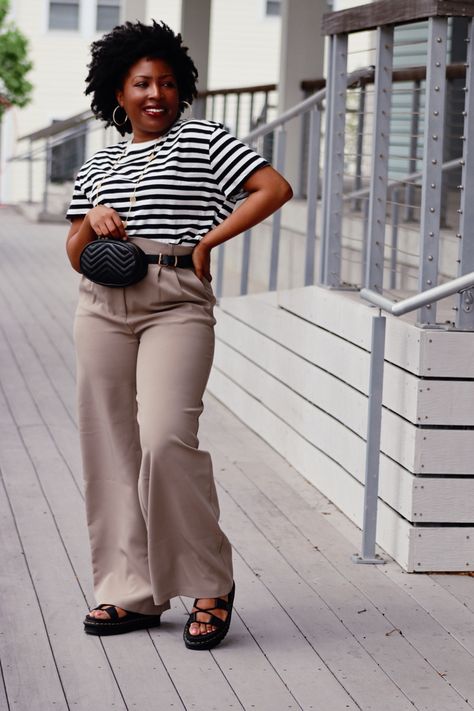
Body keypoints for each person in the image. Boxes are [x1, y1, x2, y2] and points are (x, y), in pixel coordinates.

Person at [65, 19, 292, 651]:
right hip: (101, 303)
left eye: (166, 82)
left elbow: (273, 188)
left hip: (176, 299)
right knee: (108, 445)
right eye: (141, 83)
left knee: (165, 438)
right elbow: (73, 249)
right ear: (119, 92)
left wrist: (211, 240)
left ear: (181, 89)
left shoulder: (205, 138)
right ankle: (130, 591)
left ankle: (210, 583)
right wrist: (92, 219)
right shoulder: (101, 160)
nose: (155, 93)